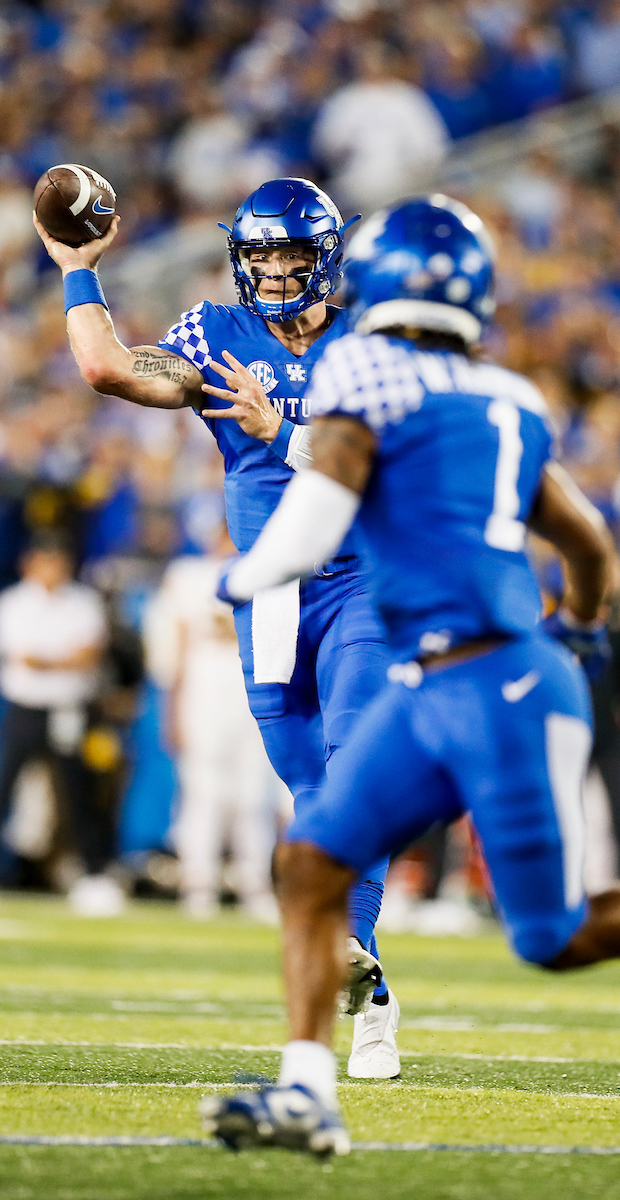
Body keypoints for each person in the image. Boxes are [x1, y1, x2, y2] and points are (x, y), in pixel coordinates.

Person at [200, 196, 620, 1157]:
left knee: (550, 934)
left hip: (488, 685)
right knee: (313, 860)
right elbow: (590, 544)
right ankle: (304, 1090)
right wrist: (578, 629)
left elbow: (324, 503)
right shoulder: (511, 400)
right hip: (459, 679)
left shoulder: (364, 370)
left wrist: (249, 574)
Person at [34, 177, 399, 1079]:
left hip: (364, 580)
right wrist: (79, 270)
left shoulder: (374, 339)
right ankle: (372, 993)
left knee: (356, 762)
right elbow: (108, 368)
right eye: (260, 256)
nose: (273, 272)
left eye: (291, 256)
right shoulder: (213, 333)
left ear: (326, 258)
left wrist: (280, 434)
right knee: (310, 787)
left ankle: (348, 942)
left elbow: (389, 470)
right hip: (271, 588)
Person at [145, 522, 281, 922]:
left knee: (255, 795)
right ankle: (198, 884)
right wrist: (171, 709)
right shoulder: (188, 575)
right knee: (203, 793)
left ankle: (255, 884)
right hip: (203, 697)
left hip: (253, 696)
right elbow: (173, 648)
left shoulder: (269, 573)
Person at [0, 532, 121, 915]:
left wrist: (48, 661)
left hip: (69, 710)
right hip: (26, 709)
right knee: (4, 784)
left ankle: (94, 875)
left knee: (78, 792)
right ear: (31, 564)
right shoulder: (13, 603)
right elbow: (23, 658)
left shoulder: (83, 602)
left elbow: (88, 656)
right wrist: (62, 660)